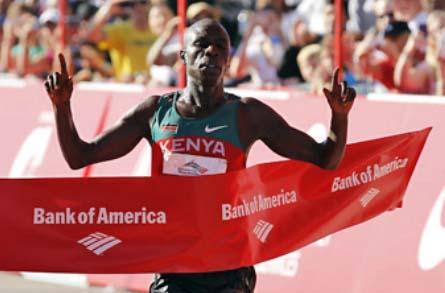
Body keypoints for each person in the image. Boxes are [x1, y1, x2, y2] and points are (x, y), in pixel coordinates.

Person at [44, 19, 356, 293]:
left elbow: (325, 158)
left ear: (229, 61)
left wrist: (339, 117)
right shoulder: (155, 112)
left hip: (229, 265)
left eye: (220, 46)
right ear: (182, 57)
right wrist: (61, 106)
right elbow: (79, 155)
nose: (211, 51)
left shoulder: (248, 114)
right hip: (175, 264)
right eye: (201, 44)